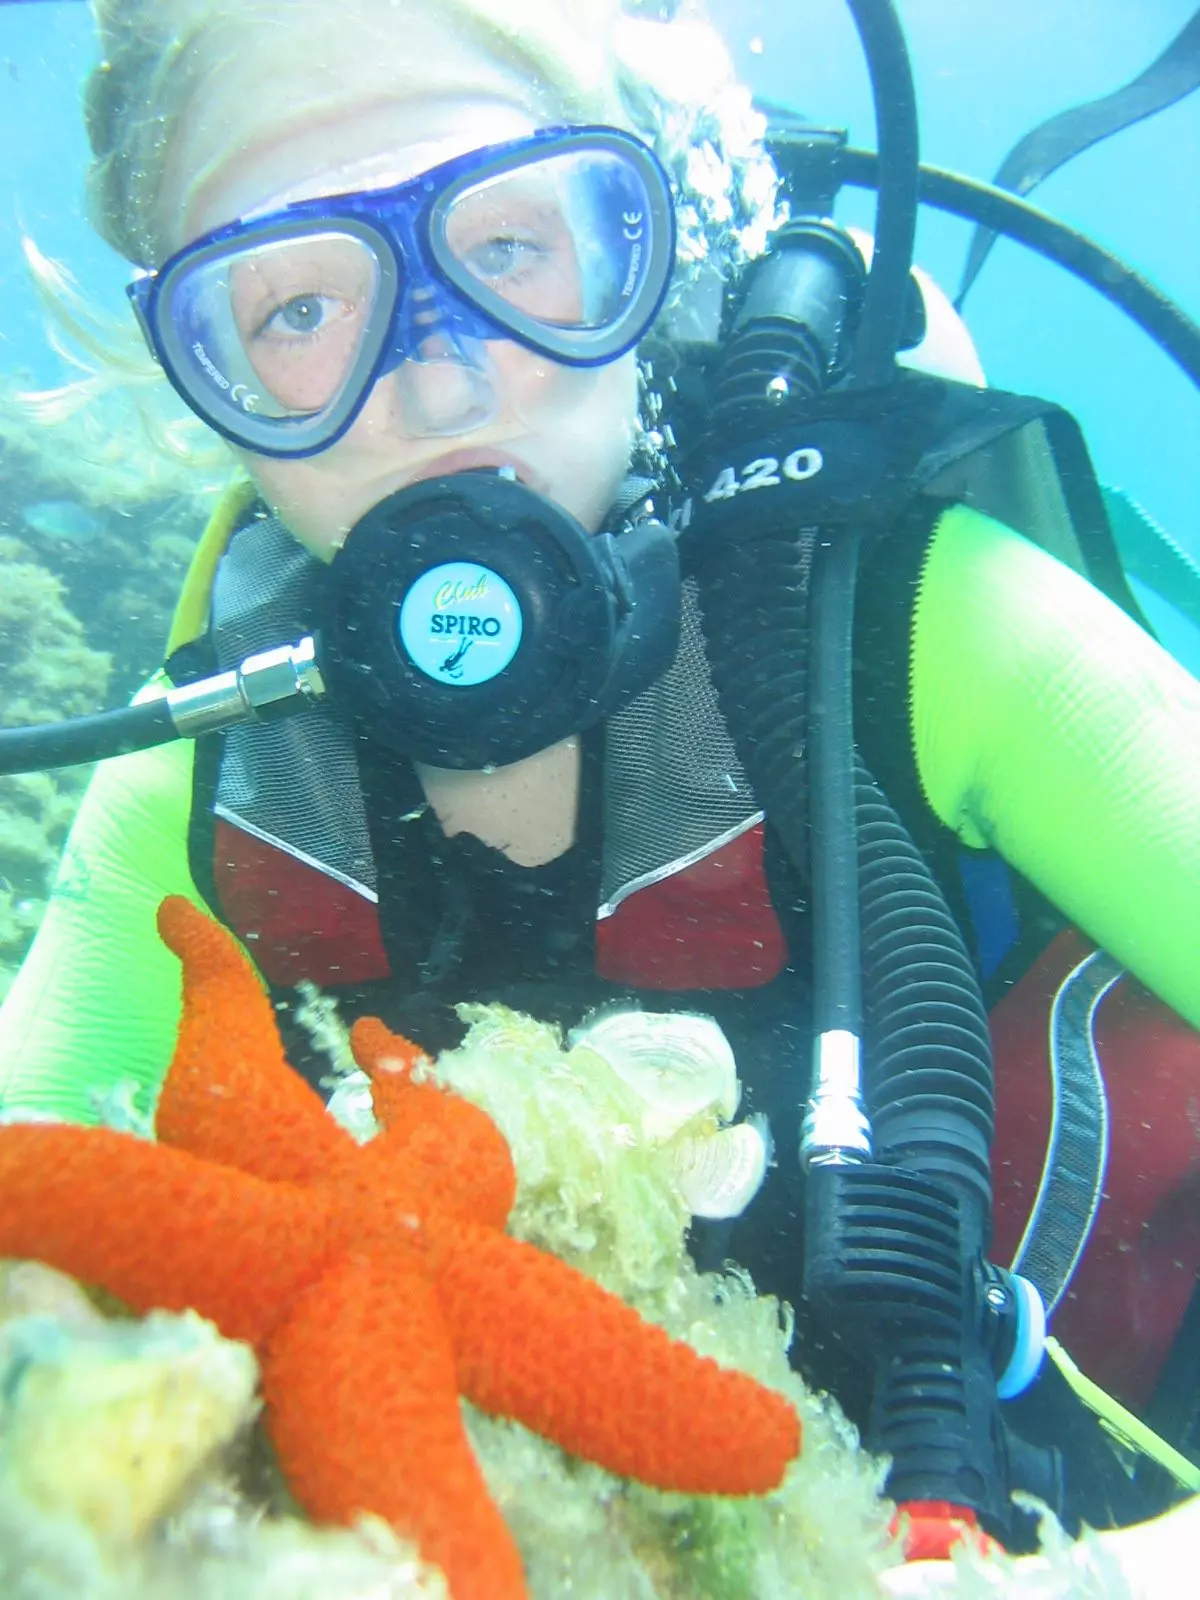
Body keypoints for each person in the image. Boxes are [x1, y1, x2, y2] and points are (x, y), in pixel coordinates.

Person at [0, 0, 1198, 1570]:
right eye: (292, 310)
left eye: (511, 246)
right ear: (197, 369)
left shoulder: (929, 631)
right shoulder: (198, 792)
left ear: (651, 247)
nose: (437, 394)